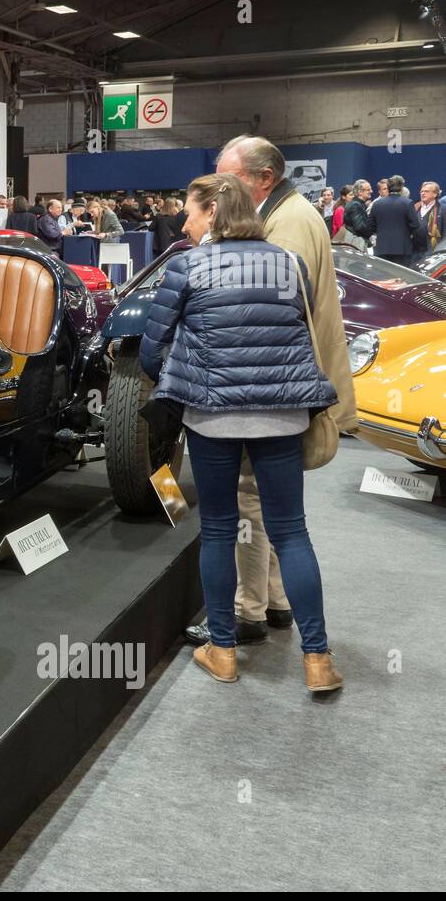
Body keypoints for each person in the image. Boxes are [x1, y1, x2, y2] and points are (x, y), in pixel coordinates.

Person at [139, 173, 342, 692]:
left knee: (220, 529)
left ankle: (223, 651)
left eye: (190, 210)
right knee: (291, 531)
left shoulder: (187, 266)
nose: (184, 220)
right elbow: (299, 325)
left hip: (212, 414)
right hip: (282, 413)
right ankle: (317, 660)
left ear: (212, 212)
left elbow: (149, 349)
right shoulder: (289, 265)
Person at [184, 134, 355, 649]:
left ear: (261, 179)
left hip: (266, 395)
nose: (219, 189)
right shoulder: (288, 213)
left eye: (227, 175)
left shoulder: (288, 222)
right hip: (282, 392)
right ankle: (280, 605)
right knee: (277, 513)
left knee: (248, 504)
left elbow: (267, 318)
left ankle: (246, 612)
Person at [368, 175, 424, 266]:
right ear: (402, 188)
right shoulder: (408, 203)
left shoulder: (377, 204)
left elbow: (370, 226)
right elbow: (415, 225)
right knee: (400, 278)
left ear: (388, 187)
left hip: (382, 248)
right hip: (402, 248)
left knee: (383, 277)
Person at [340, 179, 374, 250]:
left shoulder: (358, 204)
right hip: (355, 244)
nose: (371, 191)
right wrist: (373, 229)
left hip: (355, 242)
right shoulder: (355, 205)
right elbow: (360, 228)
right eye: (368, 189)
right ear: (360, 192)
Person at [416, 181, 444, 254]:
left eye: (426, 191)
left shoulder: (443, 209)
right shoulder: (415, 207)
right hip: (414, 250)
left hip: (432, 250)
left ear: (435, 194)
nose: (423, 193)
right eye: (421, 191)